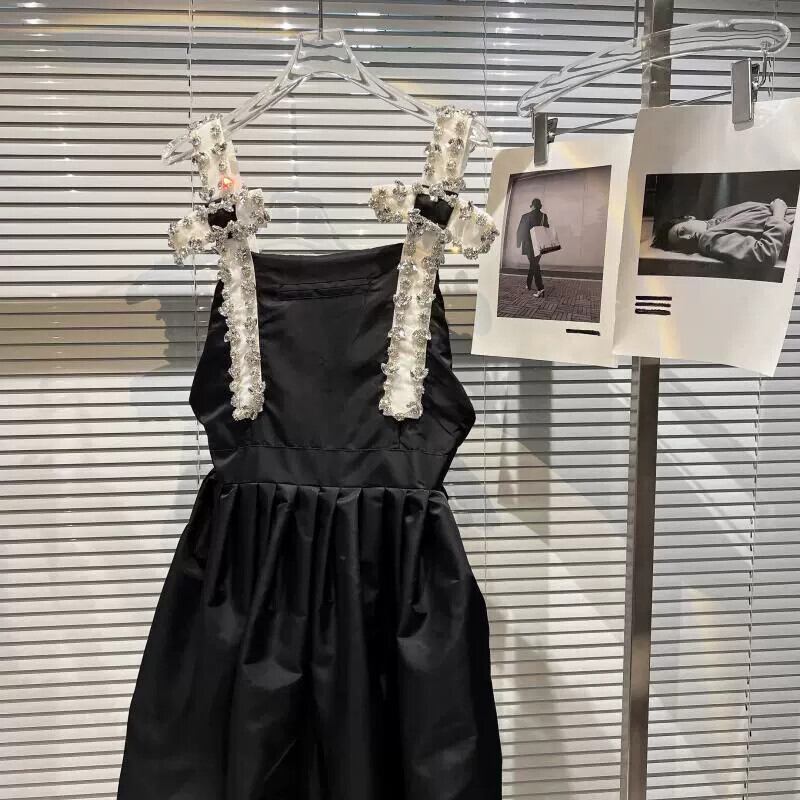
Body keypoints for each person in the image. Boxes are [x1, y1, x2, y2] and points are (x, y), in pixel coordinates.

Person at [651, 199, 795, 269]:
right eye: (682, 244)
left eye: (682, 232)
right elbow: (764, 254)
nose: (688, 238)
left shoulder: (722, 213)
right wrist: (778, 213)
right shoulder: (709, 239)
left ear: (689, 217)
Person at [516, 197, 549, 296]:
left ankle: (540, 288)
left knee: (534, 265)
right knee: (534, 264)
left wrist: (518, 243)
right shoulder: (544, 216)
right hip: (539, 244)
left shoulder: (525, 216)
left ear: (533, 206)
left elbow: (520, 230)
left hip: (528, 245)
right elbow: (546, 229)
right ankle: (528, 284)